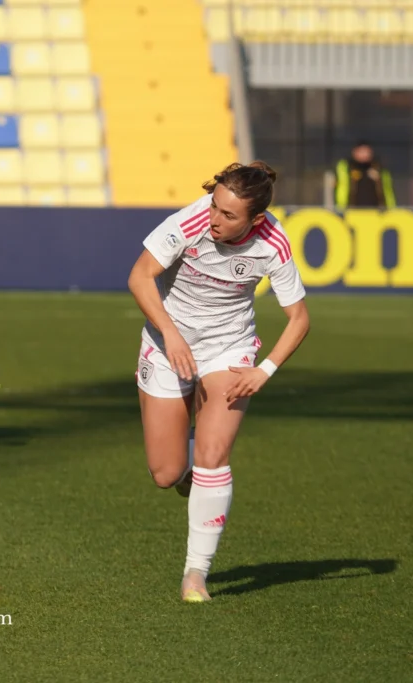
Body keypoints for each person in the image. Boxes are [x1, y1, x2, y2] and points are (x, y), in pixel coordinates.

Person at [127, 161, 310, 603]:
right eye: (215, 207)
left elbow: (299, 318)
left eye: (229, 216)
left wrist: (263, 369)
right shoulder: (190, 222)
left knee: (214, 454)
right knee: (166, 473)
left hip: (228, 348)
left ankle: (196, 575)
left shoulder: (274, 243)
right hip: (167, 342)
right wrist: (170, 335)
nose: (215, 219)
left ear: (256, 220)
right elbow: (140, 277)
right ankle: (188, 470)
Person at [335, 140, 395, 210]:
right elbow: (341, 187)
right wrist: (341, 209)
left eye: (367, 152)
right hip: (351, 212)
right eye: (361, 152)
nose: (365, 155)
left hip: (376, 212)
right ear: (355, 152)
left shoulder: (379, 169)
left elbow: (388, 191)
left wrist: (378, 179)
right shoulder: (346, 167)